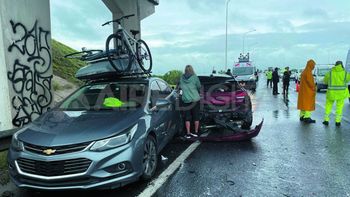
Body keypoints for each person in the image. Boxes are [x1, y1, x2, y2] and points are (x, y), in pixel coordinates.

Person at [322, 61, 350, 126]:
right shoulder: (345, 73)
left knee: (328, 106)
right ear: (342, 65)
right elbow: (348, 80)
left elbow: (325, 81)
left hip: (331, 93)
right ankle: (338, 121)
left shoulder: (330, 73)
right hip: (341, 94)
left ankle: (326, 120)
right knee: (339, 108)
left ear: (335, 65)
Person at [179, 65, 201, 138]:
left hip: (185, 100)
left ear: (185, 70)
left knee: (187, 117)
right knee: (196, 116)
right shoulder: (195, 77)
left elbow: (180, 87)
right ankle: (196, 132)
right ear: (192, 69)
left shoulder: (181, 78)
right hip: (195, 99)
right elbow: (199, 86)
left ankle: (188, 133)